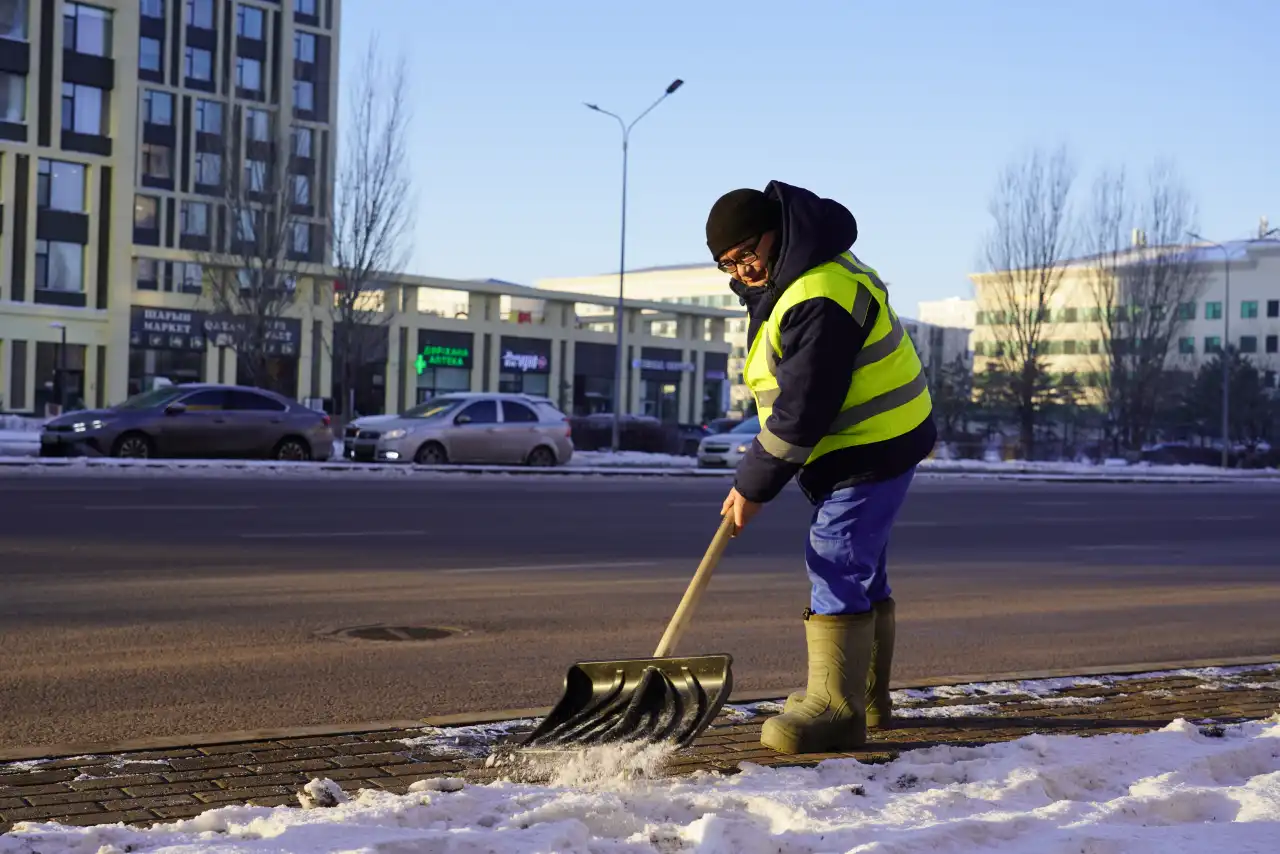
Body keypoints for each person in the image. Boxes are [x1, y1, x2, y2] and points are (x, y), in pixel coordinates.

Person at [705, 182, 937, 755]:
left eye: (746, 255)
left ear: (775, 235)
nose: (742, 270)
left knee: (833, 553)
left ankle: (837, 710)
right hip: (861, 441)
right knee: (860, 565)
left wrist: (752, 485)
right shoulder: (791, 279)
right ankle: (867, 699)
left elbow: (802, 408)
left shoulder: (818, 293)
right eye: (727, 264)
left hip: (874, 441)